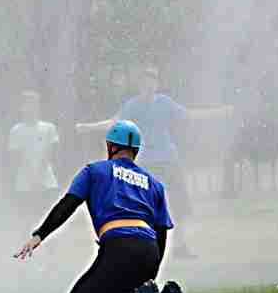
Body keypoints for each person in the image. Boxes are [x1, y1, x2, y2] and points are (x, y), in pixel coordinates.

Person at [14, 118, 197, 293]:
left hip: (118, 249)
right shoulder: (154, 184)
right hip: (149, 251)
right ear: (136, 150)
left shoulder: (94, 171)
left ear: (110, 146)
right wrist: (151, 277)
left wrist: (40, 234)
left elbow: (68, 204)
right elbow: (161, 232)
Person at [80, 65, 231, 259]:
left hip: (168, 159)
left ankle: (180, 245)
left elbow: (189, 115)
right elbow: (115, 122)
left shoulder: (165, 103)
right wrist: (89, 127)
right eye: (144, 80)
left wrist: (219, 112)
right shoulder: (132, 105)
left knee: (179, 202)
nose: (148, 84)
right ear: (140, 85)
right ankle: (147, 245)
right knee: (144, 205)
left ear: (157, 83)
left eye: (152, 80)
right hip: (146, 163)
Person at [7, 91, 61, 210]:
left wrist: (39, 175)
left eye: (34, 104)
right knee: (27, 217)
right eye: (27, 105)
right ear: (21, 108)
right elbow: (17, 155)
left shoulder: (49, 128)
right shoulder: (16, 130)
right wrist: (32, 175)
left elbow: (49, 152)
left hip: (47, 182)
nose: (31, 108)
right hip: (24, 183)